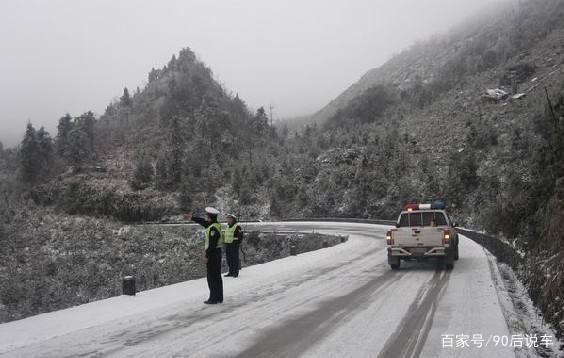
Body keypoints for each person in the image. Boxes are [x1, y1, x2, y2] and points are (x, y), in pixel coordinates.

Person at [186, 207, 223, 304]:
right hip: (217, 253)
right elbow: (203, 222)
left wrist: (207, 256)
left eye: (206, 215)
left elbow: (212, 244)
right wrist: (192, 218)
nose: (205, 217)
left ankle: (213, 298)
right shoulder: (214, 225)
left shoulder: (213, 228)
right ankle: (219, 297)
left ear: (209, 216)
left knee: (212, 277)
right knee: (217, 276)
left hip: (213, 254)